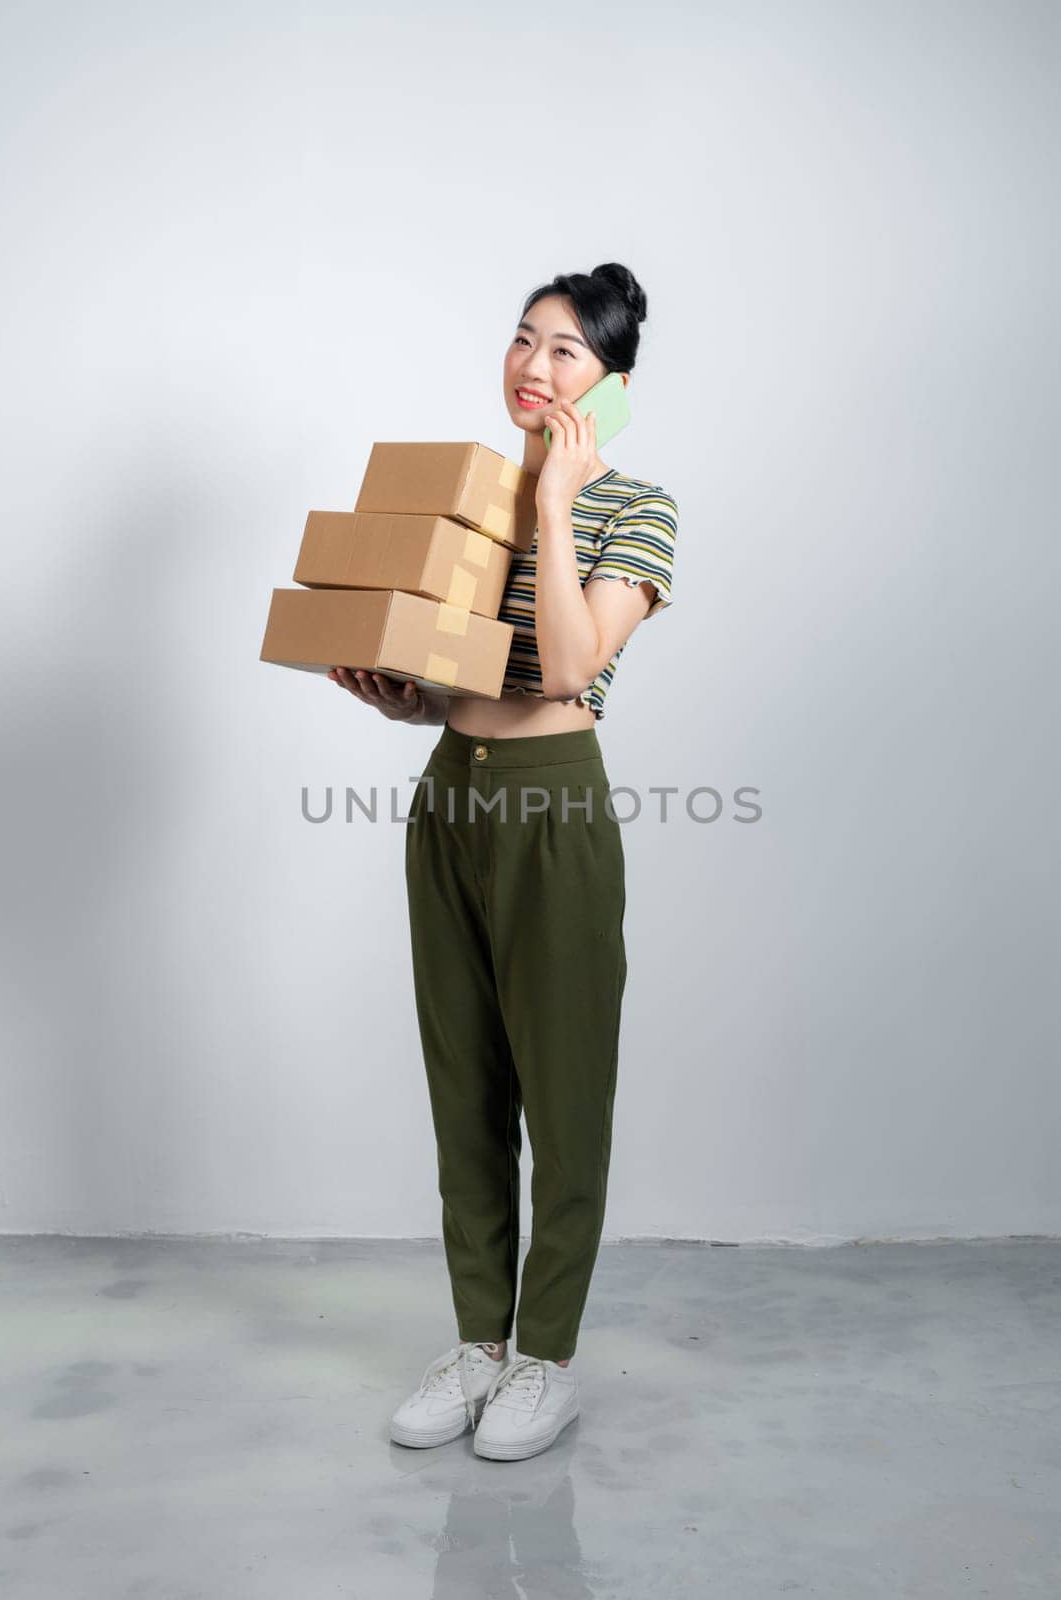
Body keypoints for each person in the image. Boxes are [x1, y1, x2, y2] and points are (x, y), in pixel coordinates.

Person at [328, 264, 679, 1461]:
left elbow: (573, 666)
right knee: (463, 1083)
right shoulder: (463, 508)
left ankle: (547, 1357)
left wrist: (554, 500)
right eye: (523, 341)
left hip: (554, 808)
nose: (533, 368)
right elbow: (467, 677)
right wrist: (400, 696)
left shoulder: (636, 507)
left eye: (566, 353)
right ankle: (478, 1343)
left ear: (611, 386)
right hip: (452, 797)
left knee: (562, 1093)